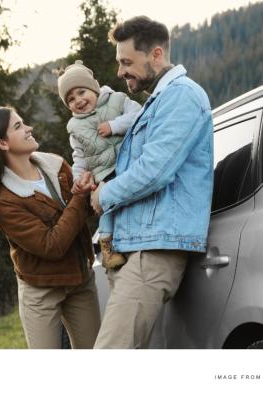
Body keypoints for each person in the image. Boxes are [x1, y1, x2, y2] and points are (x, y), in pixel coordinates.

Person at [89, 16, 214, 348]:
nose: (120, 72)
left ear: (156, 54)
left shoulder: (183, 96)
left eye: (127, 62)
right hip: (135, 246)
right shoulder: (157, 102)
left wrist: (106, 194)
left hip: (153, 251)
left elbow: (155, 171)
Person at [0, 106, 101, 349]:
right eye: (18, 126)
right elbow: (51, 245)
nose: (29, 128)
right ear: (2, 143)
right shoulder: (4, 200)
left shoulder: (56, 165)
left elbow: (88, 212)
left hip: (81, 280)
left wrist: (91, 189)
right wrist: (79, 198)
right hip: (41, 291)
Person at [57, 60, 141, 269]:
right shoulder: (75, 127)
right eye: (71, 99)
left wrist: (114, 126)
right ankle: (108, 246)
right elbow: (79, 158)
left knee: (132, 202)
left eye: (81, 92)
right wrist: (79, 180)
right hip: (103, 172)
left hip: (130, 163)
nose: (78, 100)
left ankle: (135, 235)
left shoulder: (118, 100)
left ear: (94, 87)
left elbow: (141, 116)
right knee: (107, 208)